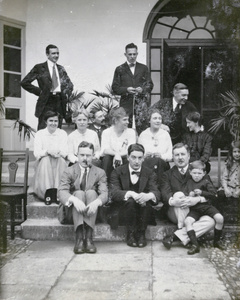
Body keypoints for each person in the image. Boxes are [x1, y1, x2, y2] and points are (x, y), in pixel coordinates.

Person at [160, 143, 215, 251]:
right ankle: (188, 235)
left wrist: (197, 199)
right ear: (173, 157)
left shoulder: (198, 170)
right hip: (176, 211)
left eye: (183, 154)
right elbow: (165, 193)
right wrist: (172, 201)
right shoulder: (167, 174)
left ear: (188, 156)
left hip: (197, 211)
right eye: (176, 155)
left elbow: (212, 193)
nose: (180, 157)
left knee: (211, 221)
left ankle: (176, 237)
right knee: (179, 195)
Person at [58, 141, 108, 254]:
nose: (85, 158)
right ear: (77, 155)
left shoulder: (100, 172)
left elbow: (104, 193)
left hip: (92, 210)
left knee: (91, 193)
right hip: (72, 212)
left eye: (88, 155)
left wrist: (96, 203)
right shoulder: (69, 171)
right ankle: (79, 238)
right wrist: (75, 200)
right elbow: (61, 192)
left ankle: (89, 238)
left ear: (93, 156)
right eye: (82, 155)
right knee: (79, 193)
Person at [110, 143, 160, 248]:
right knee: (130, 201)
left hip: (143, 213)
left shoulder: (150, 173)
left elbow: (156, 192)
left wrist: (148, 196)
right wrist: (131, 193)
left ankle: (141, 234)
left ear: (143, 159)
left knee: (145, 202)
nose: (136, 161)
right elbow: (114, 192)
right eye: (133, 157)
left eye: (140, 158)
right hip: (124, 212)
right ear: (128, 157)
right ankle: (131, 234)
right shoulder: (117, 172)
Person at [21, 44, 73, 130]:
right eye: (53, 53)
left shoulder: (61, 69)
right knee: (43, 130)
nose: (56, 56)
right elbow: (24, 82)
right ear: (47, 54)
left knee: (57, 130)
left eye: (57, 53)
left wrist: (65, 94)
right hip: (46, 102)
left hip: (59, 102)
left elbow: (70, 85)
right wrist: (40, 92)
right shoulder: (39, 68)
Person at [182, 160, 225, 255]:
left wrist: (202, 193)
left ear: (204, 173)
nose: (196, 175)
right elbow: (185, 194)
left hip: (207, 206)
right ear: (190, 172)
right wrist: (190, 195)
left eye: (199, 173)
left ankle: (216, 241)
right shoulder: (188, 182)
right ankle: (195, 245)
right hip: (195, 209)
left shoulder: (206, 182)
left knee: (220, 218)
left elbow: (214, 194)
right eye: (194, 173)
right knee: (187, 221)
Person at [111, 43, 153, 129]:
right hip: (126, 103)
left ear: (137, 54)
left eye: (134, 54)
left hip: (141, 104)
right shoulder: (119, 69)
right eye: (130, 54)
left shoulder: (143, 68)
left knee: (142, 127)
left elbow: (150, 84)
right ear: (125, 54)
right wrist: (126, 89)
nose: (132, 56)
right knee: (125, 127)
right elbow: (115, 88)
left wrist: (142, 89)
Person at [31, 110, 68, 204]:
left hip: (58, 160)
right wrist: (47, 152)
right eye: (51, 120)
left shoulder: (62, 133)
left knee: (61, 161)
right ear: (46, 122)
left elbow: (65, 152)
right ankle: (47, 192)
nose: (53, 123)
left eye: (56, 121)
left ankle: (57, 192)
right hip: (43, 162)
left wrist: (57, 152)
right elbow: (37, 153)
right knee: (46, 160)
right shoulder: (40, 134)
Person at [101, 107, 137, 181]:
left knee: (128, 159)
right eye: (124, 120)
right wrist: (116, 154)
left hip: (124, 158)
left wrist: (118, 155)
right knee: (107, 158)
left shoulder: (131, 132)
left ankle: (125, 185)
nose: (127, 122)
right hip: (110, 159)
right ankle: (106, 184)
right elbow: (105, 150)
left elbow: (131, 150)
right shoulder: (106, 132)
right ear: (116, 121)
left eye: (128, 119)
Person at [217, 140, 240, 224]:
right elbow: (224, 178)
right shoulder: (228, 164)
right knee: (221, 194)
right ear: (231, 153)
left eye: (239, 152)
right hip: (228, 187)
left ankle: (236, 217)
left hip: (238, 188)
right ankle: (222, 218)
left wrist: (238, 190)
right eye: (235, 152)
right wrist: (226, 189)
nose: (237, 154)